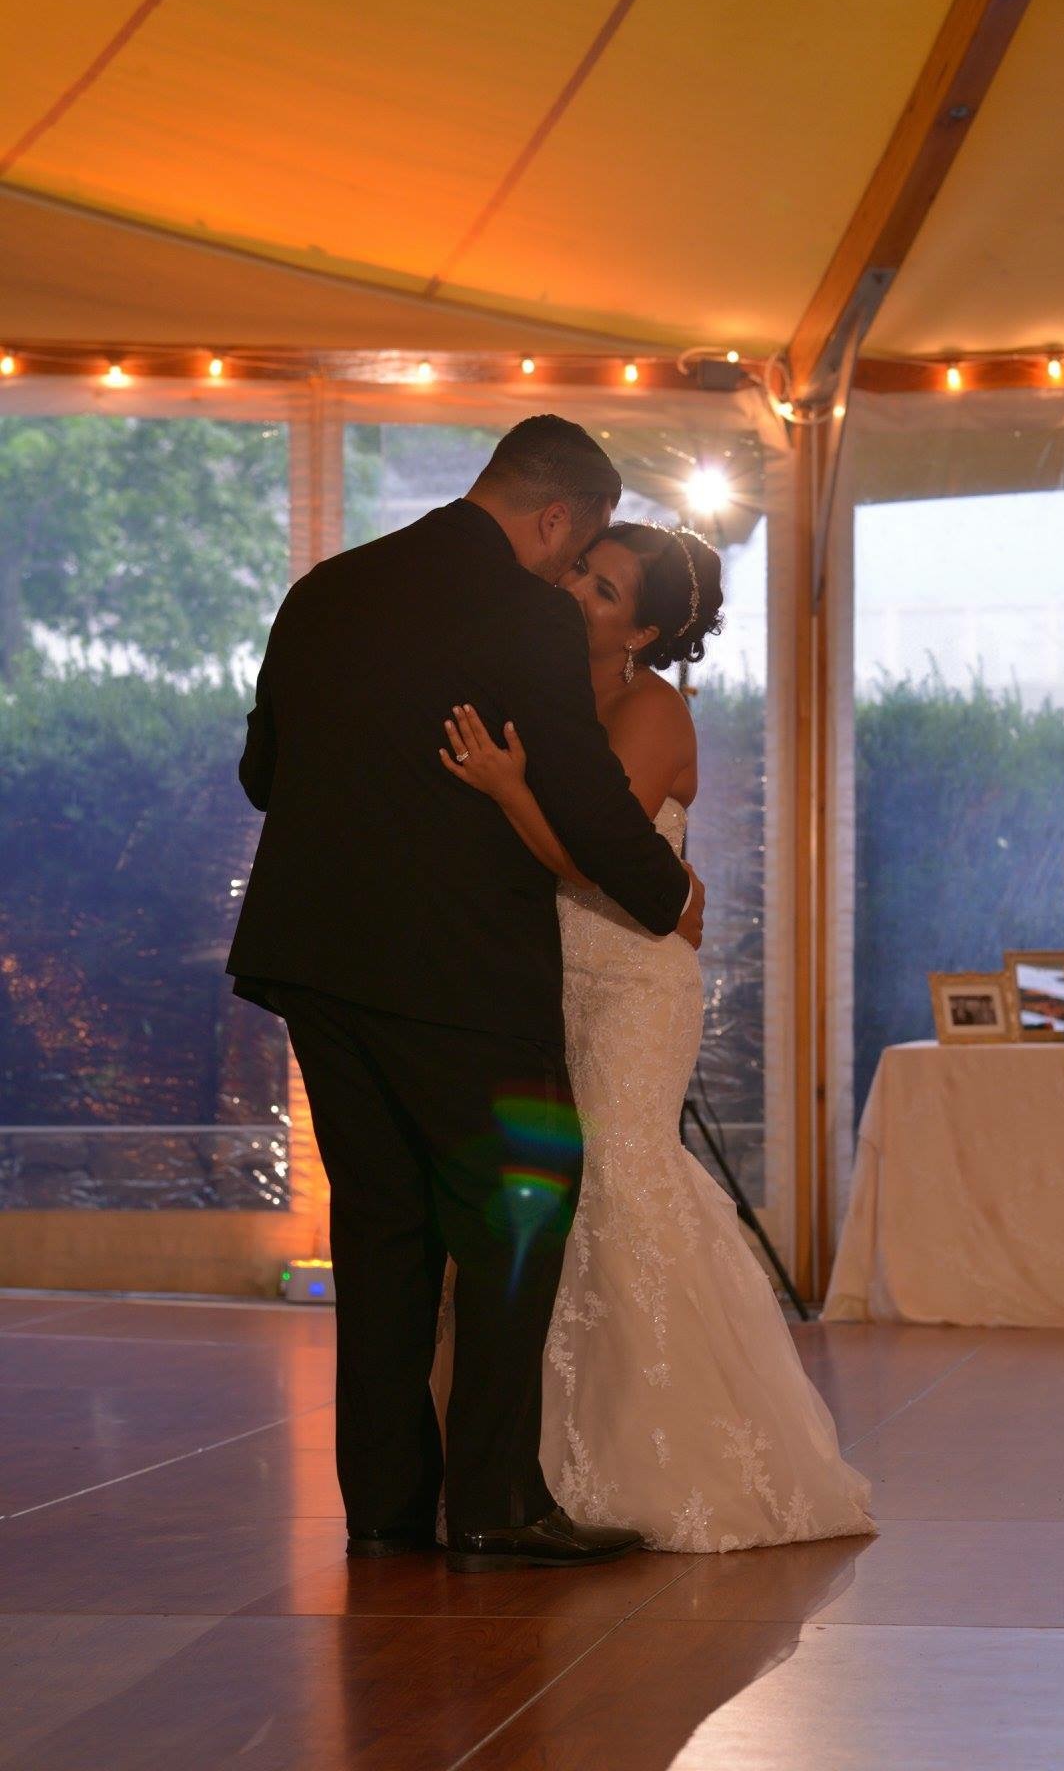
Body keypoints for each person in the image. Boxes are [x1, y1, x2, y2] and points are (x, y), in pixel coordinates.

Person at [228, 417, 706, 1573]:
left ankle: (387, 1506)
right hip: (461, 970)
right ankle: (495, 1501)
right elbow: (585, 794)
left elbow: (262, 773)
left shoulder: (325, 588)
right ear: (556, 519)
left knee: (382, 1223)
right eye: (574, 552)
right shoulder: (524, 612)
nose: (566, 574)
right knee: (517, 1218)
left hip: (317, 960)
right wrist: (666, 893)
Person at [438, 521, 875, 1550]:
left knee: (620, 1177)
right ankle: (534, 1464)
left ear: (640, 632)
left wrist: (506, 787)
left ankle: (672, 1458)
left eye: (602, 589)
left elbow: (603, 859)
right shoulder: (543, 690)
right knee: (546, 1192)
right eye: (580, 571)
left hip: (632, 980)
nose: (574, 590)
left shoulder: (651, 707)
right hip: (549, 975)